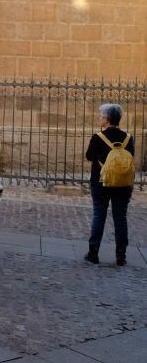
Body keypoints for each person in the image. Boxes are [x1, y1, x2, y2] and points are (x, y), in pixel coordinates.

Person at [85, 103, 135, 266]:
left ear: (106, 119)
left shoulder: (98, 137)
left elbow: (89, 156)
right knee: (120, 217)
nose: (100, 118)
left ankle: (93, 253)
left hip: (101, 183)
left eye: (101, 116)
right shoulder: (128, 138)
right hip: (123, 185)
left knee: (99, 215)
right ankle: (121, 255)